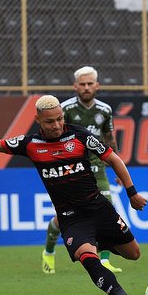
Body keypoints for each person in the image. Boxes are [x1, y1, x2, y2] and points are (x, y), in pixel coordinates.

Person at [0, 95, 148, 295]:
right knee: (86, 256)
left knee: (134, 254)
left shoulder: (80, 136)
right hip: (71, 218)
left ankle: (98, 242)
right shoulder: (31, 144)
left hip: (99, 209)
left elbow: (113, 158)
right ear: (38, 120)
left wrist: (132, 193)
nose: (57, 125)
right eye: (50, 121)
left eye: (60, 119)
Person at [42, 66, 122, 275]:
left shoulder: (105, 110)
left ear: (97, 86)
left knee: (109, 213)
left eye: (90, 84)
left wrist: (118, 168)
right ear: (76, 86)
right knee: (63, 217)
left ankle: (105, 260)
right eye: (82, 84)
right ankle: (49, 251)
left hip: (98, 169)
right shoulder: (66, 109)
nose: (86, 87)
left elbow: (109, 139)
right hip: (72, 171)